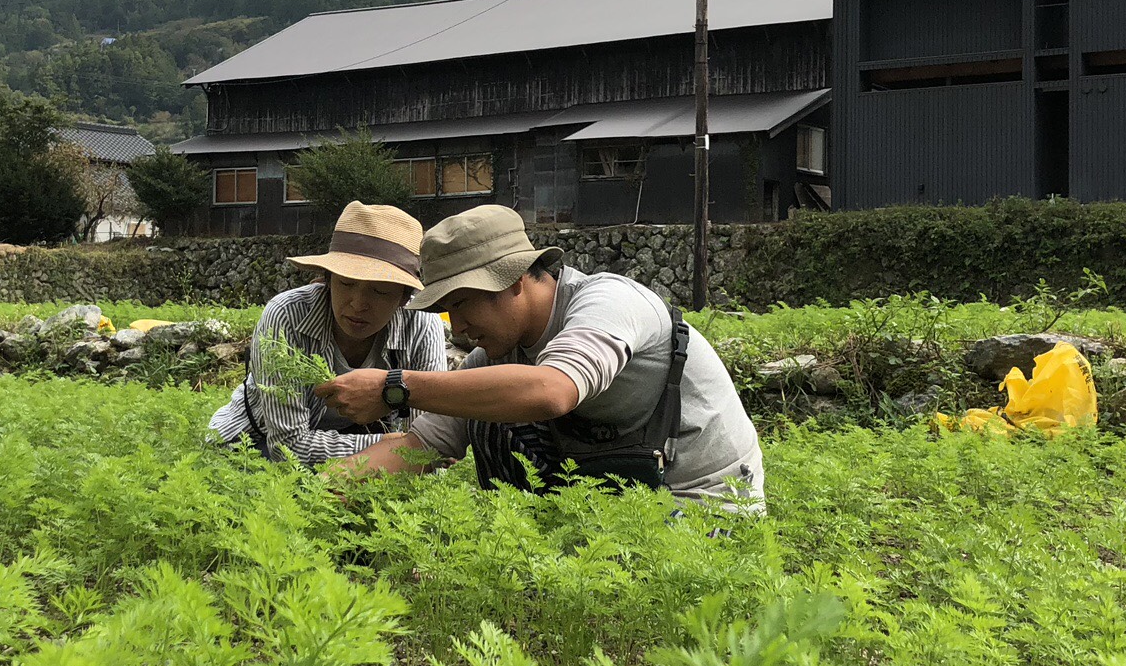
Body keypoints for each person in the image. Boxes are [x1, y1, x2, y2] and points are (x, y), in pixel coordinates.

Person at [314, 204, 763, 502]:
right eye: (446, 310)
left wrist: (396, 387)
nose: (457, 326)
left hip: (704, 495)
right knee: (482, 414)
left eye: (462, 303)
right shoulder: (497, 355)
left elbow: (552, 391)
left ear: (512, 280)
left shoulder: (609, 302)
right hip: (623, 494)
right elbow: (420, 444)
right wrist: (312, 492)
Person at [209, 201, 447, 465]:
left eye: (380, 291)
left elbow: (430, 435)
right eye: (346, 283)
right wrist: (389, 446)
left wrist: (412, 448)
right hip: (254, 442)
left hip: (362, 440)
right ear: (327, 279)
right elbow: (287, 447)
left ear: (404, 296)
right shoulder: (287, 315)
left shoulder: (422, 324)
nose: (358, 304)